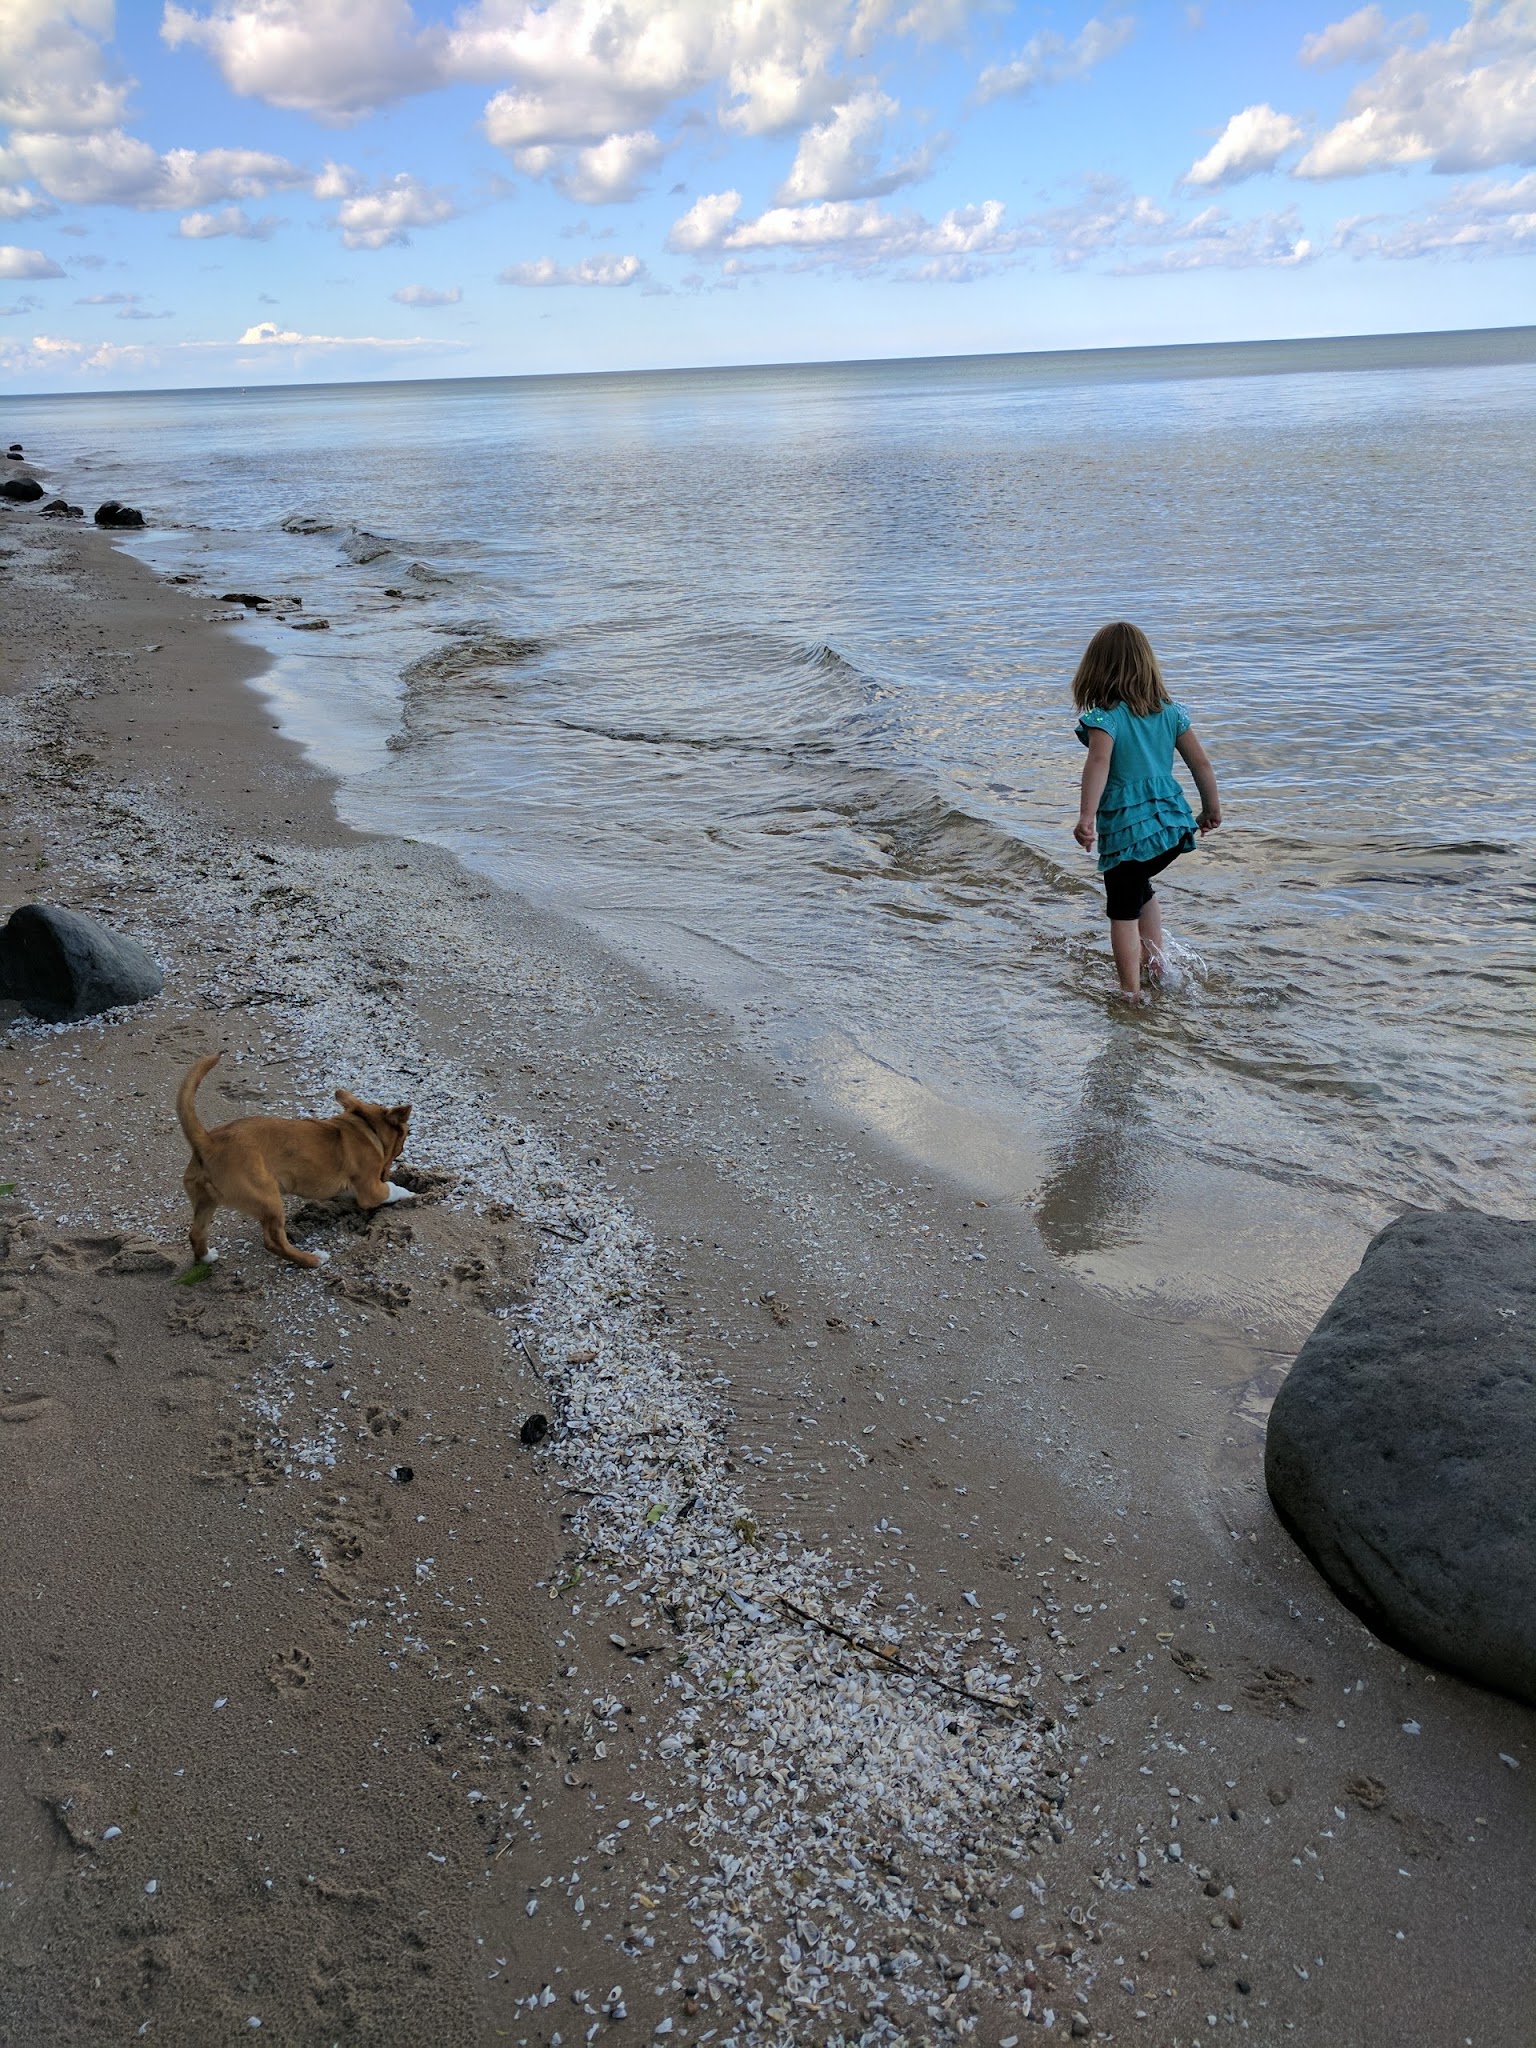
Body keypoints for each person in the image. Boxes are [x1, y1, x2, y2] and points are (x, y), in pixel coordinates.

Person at [1071, 621, 1221, 1003]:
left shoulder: (1106, 718)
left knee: (1122, 909)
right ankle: (1158, 965)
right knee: (1141, 887)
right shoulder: (1171, 712)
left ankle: (1129, 992)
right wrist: (1210, 809)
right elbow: (1201, 764)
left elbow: (1099, 764)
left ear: (1097, 669)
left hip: (1130, 831)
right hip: (1170, 829)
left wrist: (1086, 817)